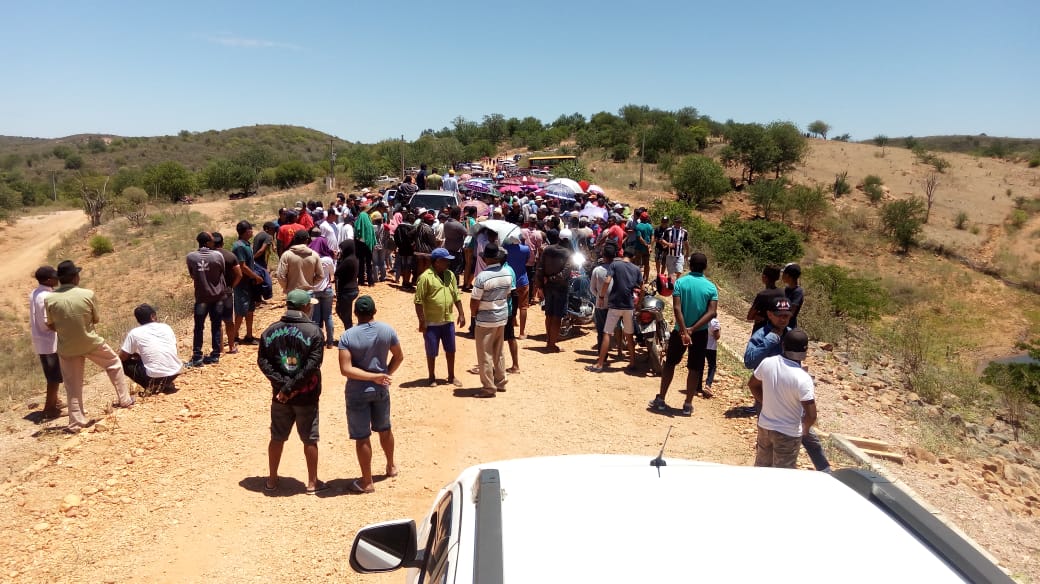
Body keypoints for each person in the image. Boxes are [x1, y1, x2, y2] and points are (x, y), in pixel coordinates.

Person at [743, 297, 831, 472]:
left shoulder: (792, 334)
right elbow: (749, 361)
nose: (783, 319)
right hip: (769, 395)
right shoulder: (761, 336)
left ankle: (825, 471)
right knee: (768, 443)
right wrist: (763, 400)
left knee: (809, 438)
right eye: (779, 315)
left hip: (791, 396)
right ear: (769, 314)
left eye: (787, 315)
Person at [45, 260, 135, 432]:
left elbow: (50, 324)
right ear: (75, 277)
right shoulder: (87, 294)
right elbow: (96, 319)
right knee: (114, 363)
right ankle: (125, 400)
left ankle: (76, 423)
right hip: (90, 341)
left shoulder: (50, 299)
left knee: (72, 385)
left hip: (67, 347)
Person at [258, 289, 327, 494]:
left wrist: (283, 387)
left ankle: (271, 480)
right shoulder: (314, 332)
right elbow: (312, 366)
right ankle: (312, 482)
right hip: (307, 395)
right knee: (310, 438)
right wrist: (292, 388)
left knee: (277, 437)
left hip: (280, 397)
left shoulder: (269, 331)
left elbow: (263, 362)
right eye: (310, 305)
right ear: (305, 307)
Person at [338, 295, 403, 494]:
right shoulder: (387, 330)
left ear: (356, 313)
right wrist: (383, 375)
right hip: (380, 390)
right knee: (385, 429)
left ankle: (367, 482)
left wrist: (371, 377)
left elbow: (346, 369)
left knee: (362, 437)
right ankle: (391, 466)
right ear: (374, 311)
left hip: (357, 392)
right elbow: (399, 356)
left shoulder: (347, 336)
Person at [648, 253, 717, 417]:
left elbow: (677, 308)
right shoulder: (711, 287)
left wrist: (685, 330)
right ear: (705, 267)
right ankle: (687, 404)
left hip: (680, 332)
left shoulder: (680, 283)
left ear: (689, 264)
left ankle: (661, 399)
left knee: (670, 363)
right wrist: (693, 330)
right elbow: (712, 312)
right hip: (699, 334)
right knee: (694, 368)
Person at [750, 329, 817, 469]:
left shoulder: (767, 363)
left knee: (761, 469)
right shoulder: (803, 378)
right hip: (788, 433)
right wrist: (804, 429)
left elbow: (753, 385)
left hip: (765, 427)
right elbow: (811, 415)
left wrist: (765, 401)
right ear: (805, 352)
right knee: (782, 476)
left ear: (783, 345)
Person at [414, 248, 466, 386]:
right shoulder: (425, 277)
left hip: (448, 320)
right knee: (431, 351)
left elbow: (456, 295)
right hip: (431, 322)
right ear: (437, 262)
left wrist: (461, 313)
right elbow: (418, 301)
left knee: (451, 350)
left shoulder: (450, 275)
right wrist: (422, 321)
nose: (448, 263)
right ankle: (431, 377)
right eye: (445, 260)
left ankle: (451, 376)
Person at [587, 248, 642, 372]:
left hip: (616, 304)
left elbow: (607, 281)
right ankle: (632, 363)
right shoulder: (636, 269)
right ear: (633, 257)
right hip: (629, 305)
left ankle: (600, 364)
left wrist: (601, 296)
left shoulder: (615, 265)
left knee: (607, 333)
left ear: (623, 255)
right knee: (629, 335)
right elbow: (641, 287)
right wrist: (638, 304)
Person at [470, 243, 514, 397]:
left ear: (487, 259)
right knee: (499, 351)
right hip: (501, 317)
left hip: (486, 319)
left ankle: (489, 388)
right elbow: (507, 294)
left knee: (485, 354)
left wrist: (474, 315)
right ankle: (501, 382)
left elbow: (474, 301)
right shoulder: (507, 273)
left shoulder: (482, 277)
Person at [118, 304, 181, 394]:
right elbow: (173, 349)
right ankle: (165, 383)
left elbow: (122, 357)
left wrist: (132, 355)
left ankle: (152, 385)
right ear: (152, 316)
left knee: (121, 363)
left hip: (154, 376)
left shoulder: (134, 333)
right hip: (174, 372)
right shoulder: (166, 327)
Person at [186, 231, 226, 367]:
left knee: (198, 327)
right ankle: (215, 355)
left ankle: (197, 356)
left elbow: (192, 275)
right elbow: (222, 271)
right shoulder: (217, 256)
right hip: (217, 296)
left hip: (201, 297)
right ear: (208, 242)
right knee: (216, 325)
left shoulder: (191, 257)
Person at [29, 266, 63, 419]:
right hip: (49, 341)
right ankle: (49, 409)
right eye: (55, 276)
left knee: (53, 375)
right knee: (54, 377)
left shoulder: (36, 293)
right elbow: (46, 322)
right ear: (49, 280)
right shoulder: (45, 297)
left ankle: (55, 402)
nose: (58, 279)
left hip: (42, 341)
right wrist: (64, 330)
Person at [535, 229, 571, 352]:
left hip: (547, 287)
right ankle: (552, 344)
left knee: (549, 314)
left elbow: (540, 268)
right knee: (557, 316)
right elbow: (565, 273)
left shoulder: (547, 250)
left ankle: (549, 341)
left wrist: (540, 284)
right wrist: (551, 278)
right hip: (560, 288)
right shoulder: (568, 253)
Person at [210, 231, 243, 356]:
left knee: (217, 321)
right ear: (223, 243)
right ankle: (231, 346)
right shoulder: (230, 256)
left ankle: (220, 349)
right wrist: (231, 286)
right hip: (227, 292)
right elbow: (239, 274)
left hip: (214, 293)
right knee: (229, 321)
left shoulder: (209, 257)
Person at [232, 221, 264, 345]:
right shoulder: (239, 246)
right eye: (250, 229)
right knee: (241, 311)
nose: (252, 231)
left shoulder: (246, 244)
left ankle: (249, 336)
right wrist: (256, 277)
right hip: (242, 284)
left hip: (249, 283)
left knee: (250, 310)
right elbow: (243, 266)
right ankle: (234, 337)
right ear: (246, 232)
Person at [276, 230, 323, 296]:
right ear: (307, 240)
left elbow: (280, 275)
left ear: (294, 239)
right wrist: (310, 284)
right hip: (308, 292)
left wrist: (286, 287)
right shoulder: (314, 255)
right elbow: (320, 275)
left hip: (292, 292)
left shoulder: (287, 255)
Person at [589, 245, 614, 352]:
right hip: (615, 304)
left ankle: (602, 354)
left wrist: (600, 297)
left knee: (601, 330)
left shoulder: (597, 270)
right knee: (612, 329)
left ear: (603, 256)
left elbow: (592, 289)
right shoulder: (617, 269)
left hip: (601, 304)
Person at [504, 238, 530, 342]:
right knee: (523, 307)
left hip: (509, 279)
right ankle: (522, 333)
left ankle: (509, 327)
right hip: (522, 280)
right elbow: (527, 261)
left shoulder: (505, 248)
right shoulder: (525, 249)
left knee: (509, 303)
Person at [747, 265, 784, 333]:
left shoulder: (763, 295)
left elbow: (750, 316)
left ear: (764, 277)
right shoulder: (783, 293)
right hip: (776, 332)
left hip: (761, 331)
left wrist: (757, 316)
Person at [311, 249, 337, 349]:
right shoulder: (327, 259)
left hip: (315, 291)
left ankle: (318, 343)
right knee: (328, 316)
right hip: (327, 290)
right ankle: (330, 342)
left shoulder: (311, 258)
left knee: (316, 318)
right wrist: (334, 259)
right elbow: (333, 272)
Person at [335, 239, 360, 331]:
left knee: (342, 312)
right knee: (346, 313)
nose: (341, 251)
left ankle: (349, 331)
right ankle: (349, 329)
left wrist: (338, 261)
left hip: (346, 291)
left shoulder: (348, 260)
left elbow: (337, 272)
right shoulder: (354, 258)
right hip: (353, 289)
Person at [354, 210, 377, 286]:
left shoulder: (358, 222)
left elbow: (356, 232)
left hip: (361, 245)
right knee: (369, 264)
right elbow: (373, 236)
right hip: (369, 246)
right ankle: (371, 282)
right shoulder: (370, 224)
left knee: (361, 263)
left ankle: (361, 281)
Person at [633, 212, 654, 283]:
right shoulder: (650, 226)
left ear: (640, 218)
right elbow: (652, 236)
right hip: (646, 249)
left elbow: (639, 237)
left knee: (637, 264)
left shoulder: (638, 226)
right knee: (646, 264)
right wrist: (650, 245)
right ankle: (646, 279)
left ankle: (637, 279)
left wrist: (645, 244)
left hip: (639, 248)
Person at [782, 263, 804, 329]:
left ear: (788, 276)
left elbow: (792, 312)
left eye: (783, 274)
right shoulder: (787, 289)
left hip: (788, 327)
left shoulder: (798, 292)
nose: (782, 276)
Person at [705, 317, 721, 393]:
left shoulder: (701, 318)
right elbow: (717, 336)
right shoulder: (714, 322)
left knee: (700, 366)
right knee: (712, 366)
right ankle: (708, 384)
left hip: (701, 344)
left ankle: (697, 386)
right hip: (711, 347)